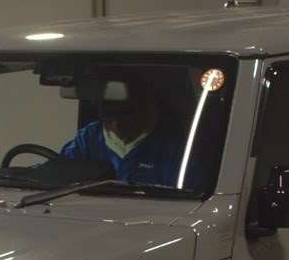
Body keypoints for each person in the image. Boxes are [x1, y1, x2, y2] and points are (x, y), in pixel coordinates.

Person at [60, 72, 191, 189]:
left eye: (124, 114)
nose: (116, 124)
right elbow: (62, 175)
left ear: (145, 107)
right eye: (109, 115)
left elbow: (182, 196)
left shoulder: (172, 146)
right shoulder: (88, 138)